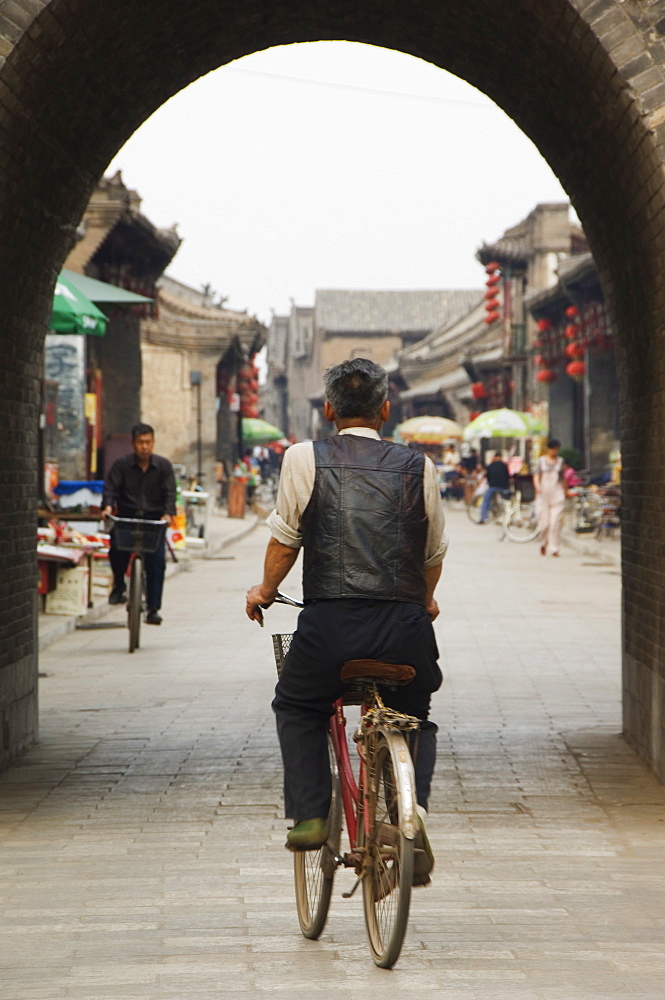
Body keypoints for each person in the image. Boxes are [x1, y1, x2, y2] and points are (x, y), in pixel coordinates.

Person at [245, 358, 447, 883]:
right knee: (414, 707)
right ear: (386, 408)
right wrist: (425, 601)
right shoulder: (418, 467)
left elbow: (285, 540)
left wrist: (264, 591)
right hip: (404, 627)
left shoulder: (303, 458)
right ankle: (413, 813)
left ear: (329, 409)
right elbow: (432, 555)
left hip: (330, 627)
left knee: (297, 703)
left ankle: (311, 813)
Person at [102, 423, 176, 624]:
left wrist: (168, 514)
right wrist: (107, 507)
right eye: (141, 442)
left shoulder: (163, 467)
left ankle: (153, 608)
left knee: (156, 562)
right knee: (116, 550)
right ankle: (119, 586)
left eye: (148, 442)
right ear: (133, 444)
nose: (145, 447)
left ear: (153, 443)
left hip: (154, 521)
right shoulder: (121, 466)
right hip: (127, 518)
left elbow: (170, 494)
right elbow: (110, 490)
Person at [534, 438, 566, 556]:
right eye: (552, 449)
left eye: (556, 450)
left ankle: (554, 548)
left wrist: (565, 492)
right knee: (545, 524)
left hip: (557, 493)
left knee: (554, 523)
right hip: (543, 494)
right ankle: (543, 543)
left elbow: (563, 479)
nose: (554, 452)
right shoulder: (541, 461)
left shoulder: (560, 462)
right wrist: (538, 487)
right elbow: (536, 476)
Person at [479, 450, 510, 523]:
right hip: (503, 487)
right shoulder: (504, 466)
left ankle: (484, 518)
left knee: (485, 501)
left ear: (495, 457)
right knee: (507, 501)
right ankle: (507, 516)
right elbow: (507, 476)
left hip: (492, 487)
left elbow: (488, 476)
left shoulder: (490, 465)